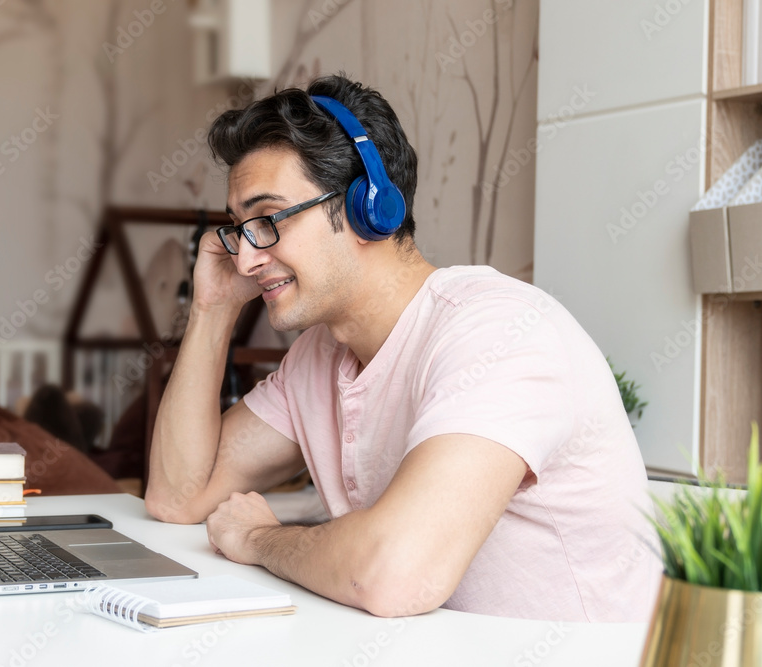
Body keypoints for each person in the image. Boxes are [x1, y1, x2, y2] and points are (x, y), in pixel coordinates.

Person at [144, 74, 659, 622]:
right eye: (239, 230)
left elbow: (394, 573)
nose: (246, 259)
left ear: (371, 207)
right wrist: (213, 310)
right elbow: (179, 496)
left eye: (267, 220)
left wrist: (261, 540)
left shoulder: (502, 332)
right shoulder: (320, 357)